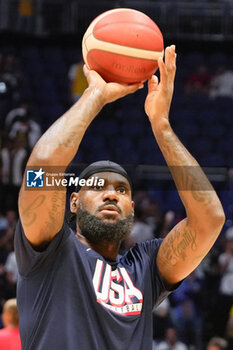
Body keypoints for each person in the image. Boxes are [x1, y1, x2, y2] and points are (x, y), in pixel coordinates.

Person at [15, 45, 225, 349]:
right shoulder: (51, 249)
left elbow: (210, 220)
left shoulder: (145, 268)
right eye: (98, 186)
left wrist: (162, 128)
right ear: (73, 202)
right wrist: (94, 96)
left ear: (132, 209)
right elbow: (41, 170)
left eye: (122, 190)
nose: (111, 194)